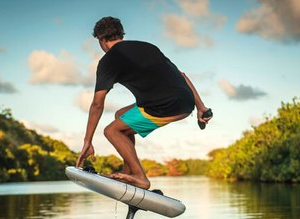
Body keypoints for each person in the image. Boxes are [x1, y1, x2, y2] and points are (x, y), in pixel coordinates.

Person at [76, 16, 211, 189]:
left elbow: (97, 104)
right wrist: (201, 107)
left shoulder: (108, 61)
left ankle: (140, 177)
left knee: (111, 131)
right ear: (120, 34)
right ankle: (129, 170)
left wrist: (88, 140)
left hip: (164, 106)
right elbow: (182, 75)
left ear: (101, 40)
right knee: (121, 116)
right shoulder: (147, 46)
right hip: (186, 102)